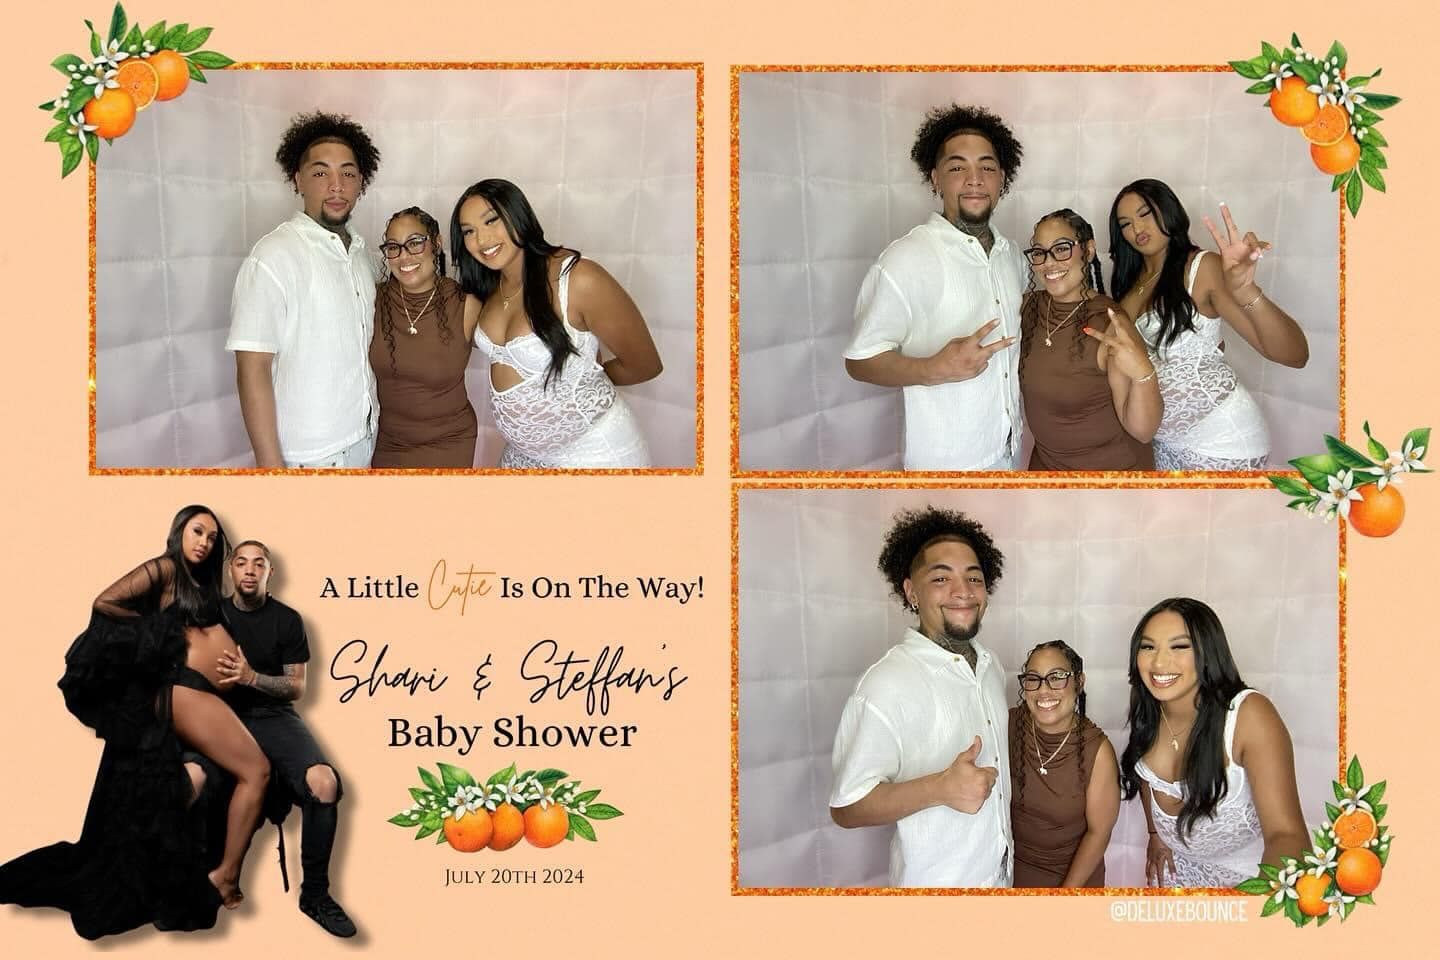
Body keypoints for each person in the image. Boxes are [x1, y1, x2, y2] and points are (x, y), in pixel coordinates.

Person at [0, 506, 269, 938]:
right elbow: (104, 601)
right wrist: (157, 632)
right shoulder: (165, 568)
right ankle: (227, 878)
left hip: (198, 690)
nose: (204, 541)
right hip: (182, 686)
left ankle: (186, 846)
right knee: (256, 771)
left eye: (213, 537)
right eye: (197, 531)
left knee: (212, 778)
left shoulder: (203, 583)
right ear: (180, 531)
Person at [829, 507, 1011, 886]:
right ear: (911, 591)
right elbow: (846, 807)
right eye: (941, 578)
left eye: (973, 578)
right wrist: (940, 788)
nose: (963, 592)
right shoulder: (886, 685)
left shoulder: (992, 666)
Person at [844, 104, 1028, 471]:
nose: (974, 179)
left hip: (1010, 448)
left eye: (987, 167)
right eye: (958, 167)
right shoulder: (905, 259)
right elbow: (859, 361)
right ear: (935, 178)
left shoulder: (1014, 257)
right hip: (947, 463)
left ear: (1002, 179)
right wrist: (934, 368)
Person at [451, 179, 662, 468]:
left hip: (594, 454)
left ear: (518, 214)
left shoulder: (578, 279)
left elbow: (645, 364)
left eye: (491, 221)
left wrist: (580, 386)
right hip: (523, 457)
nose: (482, 240)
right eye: (469, 232)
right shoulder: (488, 287)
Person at [1109, 180, 1309, 470]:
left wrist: (1246, 291)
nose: (1137, 228)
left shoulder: (1202, 267)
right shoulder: (1128, 288)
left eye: (1146, 213)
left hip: (1224, 442)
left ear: (1168, 210)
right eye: (1125, 223)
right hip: (1164, 445)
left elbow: (1294, 355)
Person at [213, 541, 356, 937]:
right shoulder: (213, 614)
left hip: (273, 715)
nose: (249, 570)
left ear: (270, 573)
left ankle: (315, 895)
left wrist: (251, 677)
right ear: (230, 570)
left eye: (259, 564)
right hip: (220, 716)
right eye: (241, 562)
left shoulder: (288, 620)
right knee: (191, 776)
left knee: (324, 783)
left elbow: (296, 688)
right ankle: (203, 877)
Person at [227, 112, 383, 468]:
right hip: (309, 454)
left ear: (361, 180)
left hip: (366, 435)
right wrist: (270, 466)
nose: (336, 185)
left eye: (347, 172)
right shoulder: (272, 255)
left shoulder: (363, 254)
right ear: (298, 180)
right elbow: (252, 368)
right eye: (320, 172)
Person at [1119, 598, 1308, 887]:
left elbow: (1288, 837)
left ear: (1208, 650)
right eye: (1148, 647)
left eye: (1179, 646)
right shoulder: (1149, 705)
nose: (1158, 662)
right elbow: (1147, 776)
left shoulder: (1249, 715)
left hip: (1249, 878)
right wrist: (1156, 835)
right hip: (1173, 873)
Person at [1018, 209, 1160, 470]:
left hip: (1108, 478)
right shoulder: (1029, 308)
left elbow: (1142, 431)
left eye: (1061, 249)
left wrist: (1144, 374)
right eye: (1039, 252)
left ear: (1089, 250)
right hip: (1046, 470)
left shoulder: (1110, 324)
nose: (1049, 263)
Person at [369, 206, 478, 467]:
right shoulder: (373, 300)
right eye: (393, 247)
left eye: (415, 243)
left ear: (437, 243)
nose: (404, 257)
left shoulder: (467, 304)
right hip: (388, 442)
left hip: (449, 442)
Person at [1008, 640, 1119, 887]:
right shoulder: (1009, 725)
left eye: (1057, 677)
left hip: (1073, 879)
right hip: (1010, 873)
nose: (1043, 690)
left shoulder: (1098, 751)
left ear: (1079, 682)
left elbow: (1098, 834)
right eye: (1033, 678)